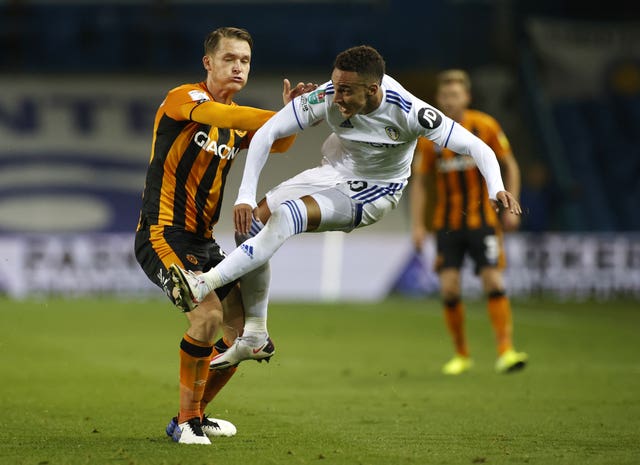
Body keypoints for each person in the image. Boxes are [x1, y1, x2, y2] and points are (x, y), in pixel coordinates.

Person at [169, 46, 522, 371]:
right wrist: (245, 195)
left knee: (288, 215)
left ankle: (203, 284)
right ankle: (256, 335)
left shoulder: (409, 111)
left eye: (345, 91)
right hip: (335, 171)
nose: (335, 97)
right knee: (255, 221)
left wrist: (497, 188)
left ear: (372, 90)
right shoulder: (327, 95)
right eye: (335, 86)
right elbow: (268, 133)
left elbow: (479, 147)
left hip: (375, 191)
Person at [134, 26, 313, 445]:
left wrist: (290, 120)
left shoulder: (238, 122)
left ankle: (193, 415)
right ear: (208, 63)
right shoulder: (186, 99)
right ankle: (186, 422)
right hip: (162, 232)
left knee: (242, 335)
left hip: (203, 240)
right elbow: (226, 116)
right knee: (208, 317)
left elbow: (280, 145)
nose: (238, 67)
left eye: (245, 61)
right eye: (230, 58)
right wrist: (291, 116)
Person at [410, 69, 528, 375]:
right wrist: (418, 225)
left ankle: (506, 350)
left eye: (456, 94)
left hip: (483, 220)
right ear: (438, 99)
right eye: (445, 95)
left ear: (467, 97)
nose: (450, 100)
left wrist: (510, 202)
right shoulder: (429, 136)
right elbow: (420, 182)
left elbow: (509, 164)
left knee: (493, 280)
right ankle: (461, 354)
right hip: (447, 223)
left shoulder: (485, 126)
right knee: (449, 288)